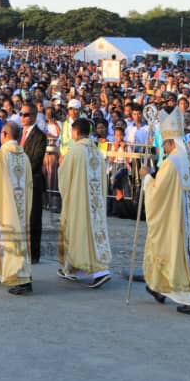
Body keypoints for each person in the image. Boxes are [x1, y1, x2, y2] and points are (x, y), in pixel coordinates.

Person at [141, 107, 190, 316]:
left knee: (173, 253)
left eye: (165, 143)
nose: (164, 147)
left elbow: (158, 192)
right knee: (180, 255)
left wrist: (146, 178)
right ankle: (158, 287)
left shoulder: (172, 162)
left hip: (177, 221)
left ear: (171, 141)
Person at [57, 118, 112, 289]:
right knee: (92, 235)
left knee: (79, 235)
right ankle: (72, 270)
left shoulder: (75, 151)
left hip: (78, 202)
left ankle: (98, 272)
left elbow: (64, 178)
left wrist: (61, 166)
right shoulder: (96, 151)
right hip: (96, 204)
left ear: (75, 132)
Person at [0, 121, 34, 295]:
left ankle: (21, 277)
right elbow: (28, 185)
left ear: (4, 134)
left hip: (4, 207)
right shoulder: (24, 157)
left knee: (5, 241)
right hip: (20, 207)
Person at [18, 103, 47, 264]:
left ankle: (34, 254)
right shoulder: (17, 133)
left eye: (26, 114)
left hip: (32, 182)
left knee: (34, 218)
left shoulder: (40, 136)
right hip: (18, 183)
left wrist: (19, 171)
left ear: (34, 116)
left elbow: (36, 160)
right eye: (21, 114)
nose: (23, 117)